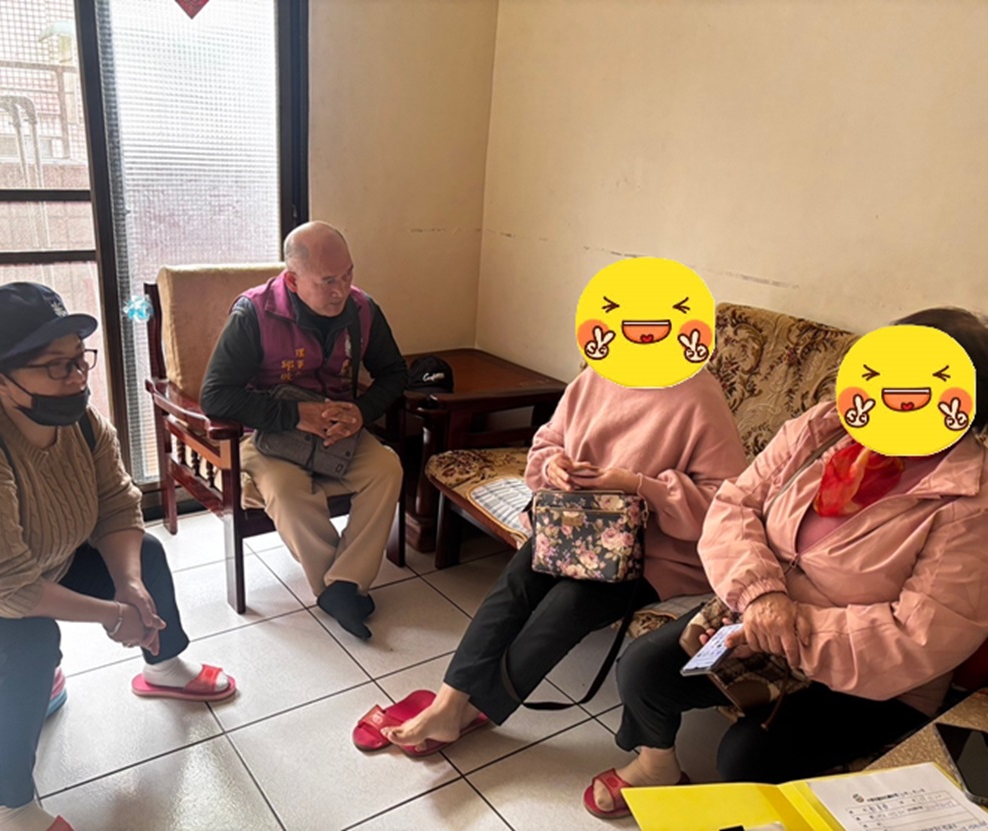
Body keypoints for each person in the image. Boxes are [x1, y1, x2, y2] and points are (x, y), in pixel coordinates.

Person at [587, 307, 988, 819]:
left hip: (877, 677)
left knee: (746, 757)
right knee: (644, 669)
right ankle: (655, 765)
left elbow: (921, 638)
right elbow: (735, 504)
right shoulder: (823, 429)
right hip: (759, 614)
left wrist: (789, 631)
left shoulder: (970, 502)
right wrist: (763, 597)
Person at [0, 283, 234, 831]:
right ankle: (7, 809)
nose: (76, 378)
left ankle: (163, 666)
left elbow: (117, 505)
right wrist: (112, 614)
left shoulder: (82, 424)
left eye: (78, 360)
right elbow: (4, 590)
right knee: (26, 645)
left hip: (30, 560)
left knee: (144, 554)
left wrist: (129, 586)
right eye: (55, 366)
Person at [376, 362, 747, 752]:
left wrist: (637, 485)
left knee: (568, 606)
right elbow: (549, 439)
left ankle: (475, 710)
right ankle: (448, 703)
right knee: (515, 585)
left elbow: (726, 501)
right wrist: (554, 466)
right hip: (573, 526)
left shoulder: (698, 395)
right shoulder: (598, 375)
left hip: (655, 554)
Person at [201, 221, 407, 640]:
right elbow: (215, 396)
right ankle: (340, 589)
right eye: (328, 281)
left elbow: (394, 373)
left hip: (339, 432)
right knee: (287, 492)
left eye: (348, 275)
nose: (341, 290)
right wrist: (295, 415)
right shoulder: (254, 313)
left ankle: (342, 585)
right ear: (293, 281)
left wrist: (361, 412)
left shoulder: (363, 309)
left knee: (387, 469)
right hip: (269, 435)